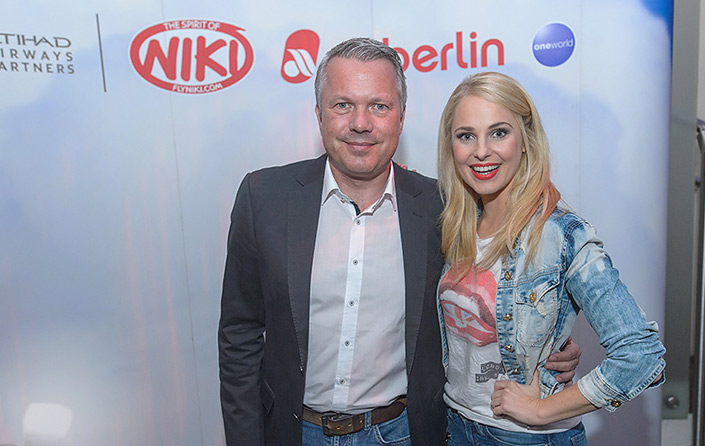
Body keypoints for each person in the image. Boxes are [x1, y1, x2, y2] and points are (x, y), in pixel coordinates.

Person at [218, 38, 581, 446]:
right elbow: (239, 334)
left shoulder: (446, 209)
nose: (360, 123)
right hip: (294, 432)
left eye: (379, 106)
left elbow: (495, 296)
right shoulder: (264, 198)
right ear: (319, 113)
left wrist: (551, 342)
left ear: (401, 117)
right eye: (343, 105)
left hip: (403, 433)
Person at [436, 72, 666, 445]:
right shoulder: (455, 224)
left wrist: (540, 410)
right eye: (466, 136)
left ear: (526, 140)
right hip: (455, 426)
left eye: (498, 133)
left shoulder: (562, 235)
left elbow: (641, 354)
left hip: (525, 438)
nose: (481, 151)